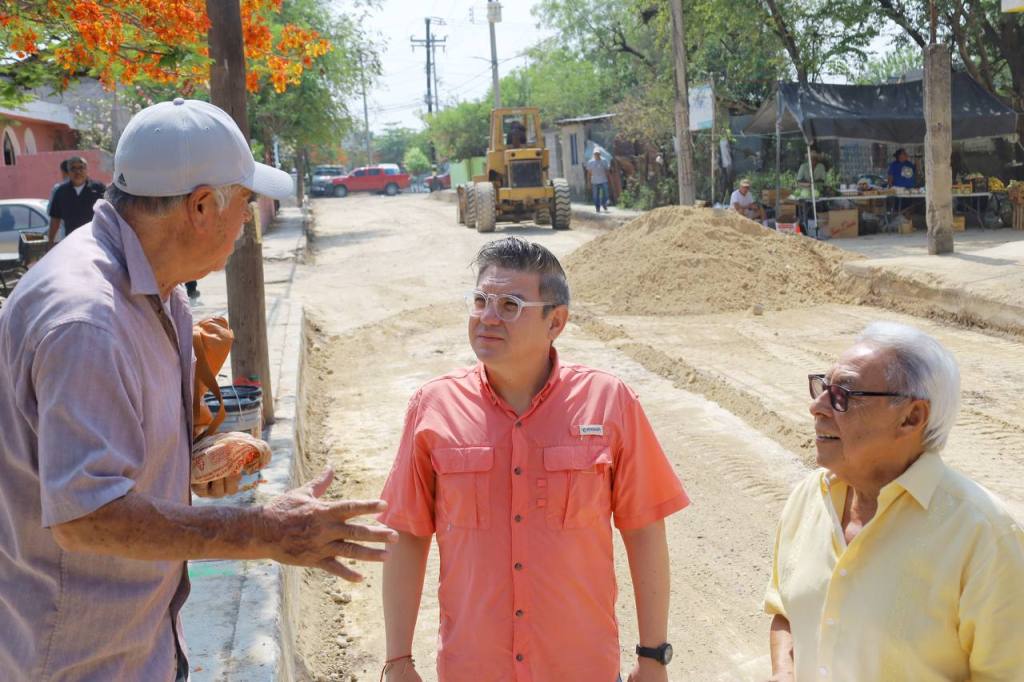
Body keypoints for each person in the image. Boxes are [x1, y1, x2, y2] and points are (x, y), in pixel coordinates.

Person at [0, 98, 397, 682]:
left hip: (142, 641)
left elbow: (98, 452)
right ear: (202, 206)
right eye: (245, 206)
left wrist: (189, 461)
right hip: (75, 657)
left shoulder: (161, 291)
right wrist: (267, 531)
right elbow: (87, 516)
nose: (249, 222)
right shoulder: (87, 320)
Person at [379, 237, 689, 682]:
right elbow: (407, 536)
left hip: (581, 669)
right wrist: (398, 662)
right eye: (481, 300)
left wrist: (653, 657)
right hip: (474, 669)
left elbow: (644, 531)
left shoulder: (609, 402)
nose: (487, 316)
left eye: (510, 305)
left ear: (555, 322)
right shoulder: (433, 407)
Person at [764, 322, 1024, 682]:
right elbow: (786, 613)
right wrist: (783, 672)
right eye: (823, 388)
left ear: (911, 417)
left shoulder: (985, 536)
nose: (817, 406)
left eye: (843, 394)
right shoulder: (809, 498)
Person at [47, 156, 106, 244]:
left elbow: (108, 215)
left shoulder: (99, 189)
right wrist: (50, 241)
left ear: (86, 170)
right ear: (68, 172)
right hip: (71, 242)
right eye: (73, 168)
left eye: (81, 168)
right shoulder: (61, 192)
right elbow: (55, 219)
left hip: (95, 241)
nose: (77, 172)